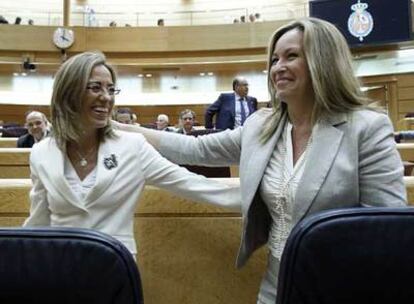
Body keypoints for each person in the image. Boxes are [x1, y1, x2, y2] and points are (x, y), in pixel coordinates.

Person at [115, 17, 407, 303]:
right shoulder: (261, 126)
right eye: (274, 59)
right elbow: (195, 149)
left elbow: (384, 231)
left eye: (291, 56)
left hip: (341, 288)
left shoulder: (366, 128)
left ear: (324, 62)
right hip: (275, 285)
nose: (277, 68)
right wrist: (117, 128)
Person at [23, 52, 240, 258]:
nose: (106, 97)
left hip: (113, 271)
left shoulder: (132, 147)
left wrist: (267, 199)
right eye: (95, 87)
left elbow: (195, 185)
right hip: (58, 272)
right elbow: (38, 223)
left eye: (111, 89)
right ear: (69, 92)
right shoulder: (42, 153)